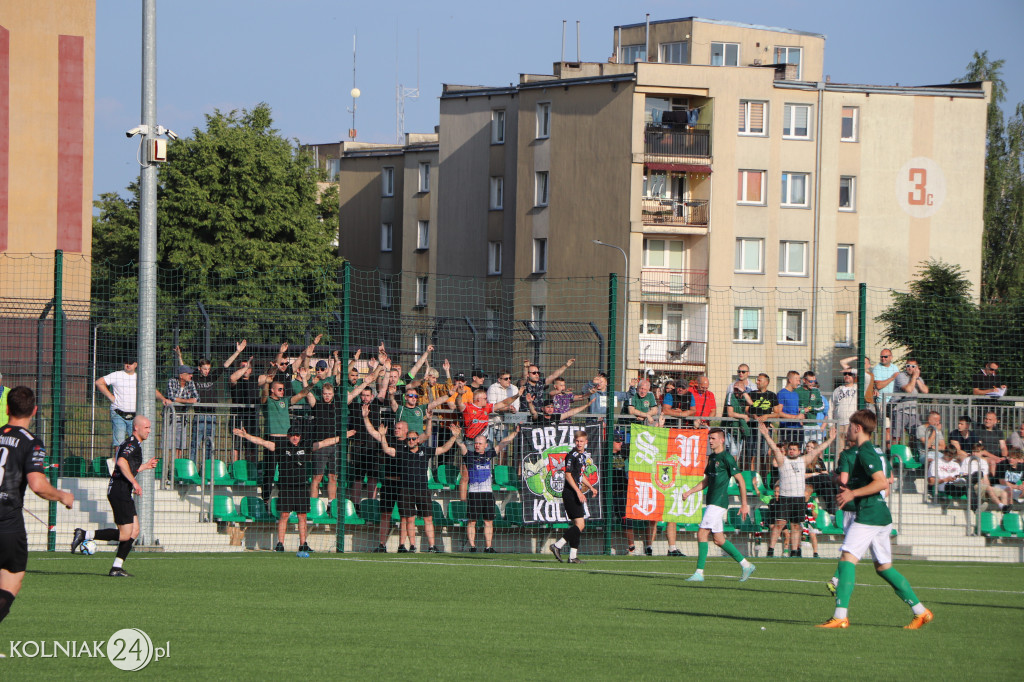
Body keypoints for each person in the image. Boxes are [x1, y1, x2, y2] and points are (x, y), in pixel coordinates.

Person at [818, 409, 933, 629]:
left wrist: (852, 493)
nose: (848, 430)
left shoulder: (865, 451)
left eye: (850, 426)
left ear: (857, 428)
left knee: (846, 560)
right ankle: (921, 612)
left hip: (870, 514)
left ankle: (840, 616)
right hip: (879, 514)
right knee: (883, 567)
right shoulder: (873, 450)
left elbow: (881, 482)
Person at [1, 387, 75, 624]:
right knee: (12, 578)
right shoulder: (32, 443)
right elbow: (38, 485)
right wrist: (62, 495)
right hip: (8, 521)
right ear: (34, 411)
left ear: (7, 409)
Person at [72, 415, 157, 576]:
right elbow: (121, 463)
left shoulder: (132, 444)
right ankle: (85, 534)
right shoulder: (132, 444)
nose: (149, 431)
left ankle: (117, 567)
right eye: (146, 427)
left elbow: (126, 467)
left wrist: (144, 466)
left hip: (122, 490)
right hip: (119, 491)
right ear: (136, 428)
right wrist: (135, 483)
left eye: (150, 427)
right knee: (125, 534)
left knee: (134, 531)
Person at [234, 426, 333, 553]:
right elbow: (263, 442)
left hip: (302, 487)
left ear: (300, 436)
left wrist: (343, 436)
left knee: (302, 516)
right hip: (286, 487)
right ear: (288, 436)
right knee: (284, 515)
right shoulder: (281, 447)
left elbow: (324, 443)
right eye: (292, 435)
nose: (295, 437)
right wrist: (246, 436)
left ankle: (303, 544)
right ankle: (280, 544)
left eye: (297, 435)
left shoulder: (305, 447)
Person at [680, 428, 756, 582]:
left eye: (713, 438)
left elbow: (741, 481)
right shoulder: (712, 458)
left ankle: (699, 573)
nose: (710, 441)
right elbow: (707, 481)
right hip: (711, 502)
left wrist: (744, 504)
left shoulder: (727, 458)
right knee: (719, 540)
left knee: (702, 533)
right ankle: (746, 565)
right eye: (709, 438)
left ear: (722, 440)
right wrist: (690, 492)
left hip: (718, 502)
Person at [760, 422, 836, 558]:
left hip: (798, 498)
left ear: (799, 451)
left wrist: (830, 439)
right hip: (785, 497)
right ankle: (770, 550)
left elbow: (818, 450)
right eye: (790, 449)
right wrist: (766, 434)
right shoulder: (783, 460)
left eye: (794, 449)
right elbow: (774, 447)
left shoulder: (803, 460)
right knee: (779, 524)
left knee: (796, 526)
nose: (792, 451)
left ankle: (794, 551)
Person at [94, 358, 169, 455]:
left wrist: (163, 399)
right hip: (118, 413)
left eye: (130, 363)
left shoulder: (140, 378)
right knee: (119, 443)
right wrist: (111, 397)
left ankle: (130, 466)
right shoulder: (117, 375)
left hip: (134, 416)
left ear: (136, 365)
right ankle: (119, 466)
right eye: (126, 363)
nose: (128, 365)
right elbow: (99, 382)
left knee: (134, 443)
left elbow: (152, 390)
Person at [461, 430, 518, 552]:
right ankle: (472, 547)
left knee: (488, 521)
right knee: (472, 521)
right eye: (476, 443)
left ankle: (488, 547)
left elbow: (502, 444)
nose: (477, 445)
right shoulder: (469, 455)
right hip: (474, 493)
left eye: (480, 443)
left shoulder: (489, 454)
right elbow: (461, 446)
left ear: (486, 445)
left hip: (487, 493)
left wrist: (515, 432)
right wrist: (457, 438)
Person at [259, 377, 313, 503]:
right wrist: (267, 382)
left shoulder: (285, 401)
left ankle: (284, 498)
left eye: (283, 389)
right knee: (270, 471)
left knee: (286, 470)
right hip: (272, 439)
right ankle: (266, 500)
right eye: (279, 389)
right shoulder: (267, 401)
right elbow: (264, 394)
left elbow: (301, 394)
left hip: (285, 441)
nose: (282, 391)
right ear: (272, 390)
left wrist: (312, 383)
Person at [549, 431, 597, 564]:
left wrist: (591, 487)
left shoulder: (583, 456)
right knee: (580, 525)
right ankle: (558, 546)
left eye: (582, 441)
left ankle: (572, 556)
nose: (579, 443)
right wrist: (578, 491)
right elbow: (568, 475)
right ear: (574, 441)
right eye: (577, 441)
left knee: (579, 525)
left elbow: (580, 476)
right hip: (570, 493)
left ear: (586, 442)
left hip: (575, 492)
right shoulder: (571, 456)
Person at [166, 365, 199, 460]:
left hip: (183, 418)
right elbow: (172, 397)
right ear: (181, 375)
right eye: (188, 374)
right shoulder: (171, 381)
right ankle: (168, 467)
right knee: (169, 444)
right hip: (170, 417)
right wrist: (187, 401)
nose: (191, 376)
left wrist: (181, 400)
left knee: (180, 444)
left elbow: (197, 398)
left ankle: (176, 466)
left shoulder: (191, 383)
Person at [832, 356, 860, 433]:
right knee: (839, 445)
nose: (847, 375)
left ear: (854, 375)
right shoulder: (837, 390)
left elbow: (864, 374)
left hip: (852, 423)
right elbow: (831, 407)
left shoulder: (858, 388)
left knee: (851, 445)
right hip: (839, 424)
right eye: (845, 373)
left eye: (850, 374)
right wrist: (831, 425)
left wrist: (858, 358)